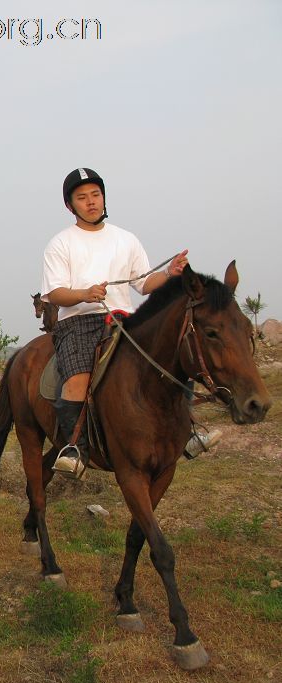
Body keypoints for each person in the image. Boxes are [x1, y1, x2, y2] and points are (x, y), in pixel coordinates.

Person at [41, 168, 220, 478]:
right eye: (82, 198)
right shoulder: (61, 243)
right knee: (78, 378)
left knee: (171, 356)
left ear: (104, 197)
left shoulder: (126, 239)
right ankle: (75, 446)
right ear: (71, 206)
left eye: (95, 195)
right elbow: (54, 293)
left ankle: (187, 432)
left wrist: (170, 274)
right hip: (79, 322)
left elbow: (144, 284)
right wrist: (84, 293)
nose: (91, 202)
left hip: (122, 318)